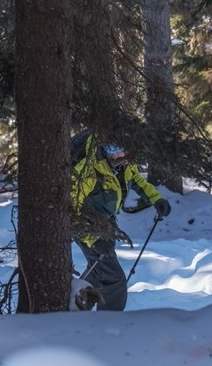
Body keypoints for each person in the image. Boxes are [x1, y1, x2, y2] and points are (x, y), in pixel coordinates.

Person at [71, 133, 171, 311]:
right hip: (86, 226)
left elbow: (137, 181)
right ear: (103, 148)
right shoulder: (88, 170)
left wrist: (156, 199)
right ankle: (112, 325)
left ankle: (73, 302)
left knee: (98, 271)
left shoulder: (125, 164)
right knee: (113, 280)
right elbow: (71, 209)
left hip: (107, 223)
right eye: (112, 150)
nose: (118, 155)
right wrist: (93, 240)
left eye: (121, 150)